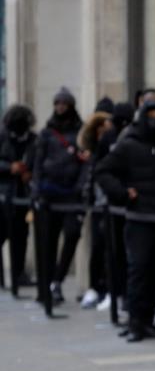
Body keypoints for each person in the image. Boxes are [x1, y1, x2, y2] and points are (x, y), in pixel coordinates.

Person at [95, 101, 155, 342]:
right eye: (150, 116)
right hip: (139, 217)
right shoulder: (130, 144)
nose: (154, 120)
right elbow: (103, 170)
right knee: (139, 269)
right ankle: (136, 321)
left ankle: (148, 319)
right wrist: (122, 193)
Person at [32, 87, 88, 305]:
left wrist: (80, 185)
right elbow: (38, 162)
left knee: (72, 235)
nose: (60, 107)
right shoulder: (47, 133)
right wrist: (37, 190)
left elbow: (86, 161)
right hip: (49, 194)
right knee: (48, 241)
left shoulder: (80, 132)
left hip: (71, 194)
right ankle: (46, 285)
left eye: (64, 103)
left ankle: (57, 279)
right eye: (57, 103)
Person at [94, 102, 136, 314]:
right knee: (112, 252)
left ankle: (126, 297)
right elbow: (100, 169)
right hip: (113, 205)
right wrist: (118, 192)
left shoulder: (134, 139)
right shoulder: (109, 139)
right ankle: (113, 293)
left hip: (132, 206)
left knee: (130, 255)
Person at [77, 98, 115, 308]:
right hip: (97, 204)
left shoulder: (112, 146)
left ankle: (110, 290)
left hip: (111, 205)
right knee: (96, 248)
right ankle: (94, 287)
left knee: (110, 250)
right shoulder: (93, 150)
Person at [0, 105, 37, 289]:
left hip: (23, 194)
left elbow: (39, 160)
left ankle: (19, 274)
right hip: (4, 195)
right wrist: (9, 167)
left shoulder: (33, 139)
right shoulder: (2, 137)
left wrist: (29, 172)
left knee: (21, 236)